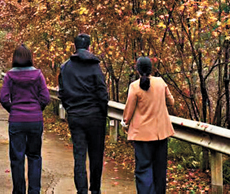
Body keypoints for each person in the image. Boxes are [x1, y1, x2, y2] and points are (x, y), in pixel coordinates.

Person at [58, 33, 109, 194]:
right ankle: (95, 190)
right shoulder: (95, 66)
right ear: (89, 47)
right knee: (96, 155)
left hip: (76, 116)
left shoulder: (66, 67)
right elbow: (102, 93)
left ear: (74, 47)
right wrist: (103, 114)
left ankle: (81, 190)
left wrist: (70, 109)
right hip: (95, 117)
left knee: (79, 155)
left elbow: (63, 93)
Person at [0, 44, 50, 194]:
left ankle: (19, 191)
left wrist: (13, 109)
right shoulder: (38, 75)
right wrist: (37, 109)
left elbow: (3, 98)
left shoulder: (10, 76)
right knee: (34, 156)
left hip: (17, 120)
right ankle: (34, 191)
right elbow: (46, 98)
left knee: (17, 158)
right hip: (35, 120)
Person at [122, 57, 175, 194]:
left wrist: (125, 122)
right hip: (161, 133)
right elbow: (171, 102)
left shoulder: (134, 86)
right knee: (160, 168)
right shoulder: (160, 83)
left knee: (144, 168)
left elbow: (129, 110)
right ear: (152, 69)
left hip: (142, 135)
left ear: (137, 70)